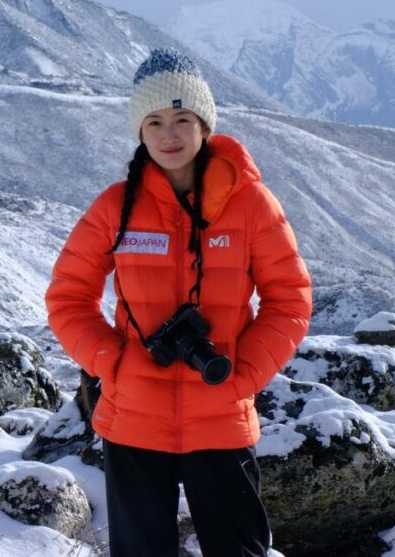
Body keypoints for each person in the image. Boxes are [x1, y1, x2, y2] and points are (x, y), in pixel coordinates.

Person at [45, 48, 312, 556]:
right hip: (133, 419)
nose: (170, 134)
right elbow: (67, 297)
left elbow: (290, 297)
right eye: (156, 121)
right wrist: (112, 362)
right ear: (140, 132)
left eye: (183, 119)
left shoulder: (251, 203)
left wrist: (245, 374)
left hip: (220, 412)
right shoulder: (115, 207)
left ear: (205, 125)